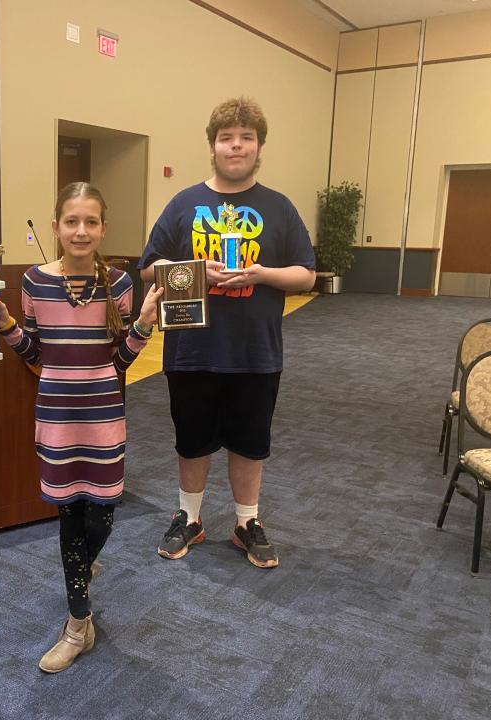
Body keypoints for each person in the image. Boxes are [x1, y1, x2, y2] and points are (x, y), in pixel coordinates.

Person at [0, 182, 162, 673]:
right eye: (71, 221)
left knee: (101, 516)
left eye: (91, 222)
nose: (80, 231)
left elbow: (120, 361)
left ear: (103, 228)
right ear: (57, 226)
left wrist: (144, 323)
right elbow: (36, 356)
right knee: (68, 517)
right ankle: (77, 624)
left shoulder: (121, 285)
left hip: (104, 416)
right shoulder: (36, 283)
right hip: (57, 417)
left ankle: (81, 567)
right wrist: (6, 326)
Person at [139, 97, 315, 569]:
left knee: (249, 442)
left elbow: (307, 275)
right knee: (191, 440)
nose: (236, 146)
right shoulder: (183, 203)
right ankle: (190, 518)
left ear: (259, 147)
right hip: (191, 348)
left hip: (255, 352)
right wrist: (197, 272)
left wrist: (262, 274)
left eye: (246, 138)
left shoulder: (279, 207)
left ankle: (246, 523)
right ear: (213, 146)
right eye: (226, 138)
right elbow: (148, 268)